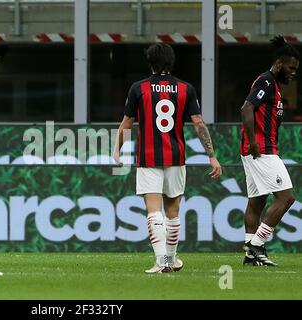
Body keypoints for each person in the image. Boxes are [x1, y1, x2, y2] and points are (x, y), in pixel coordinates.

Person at [113, 43, 222, 273]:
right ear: (171, 62)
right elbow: (199, 124)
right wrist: (211, 156)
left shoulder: (138, 88)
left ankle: (161, 260)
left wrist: (117, 149)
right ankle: (171, 260)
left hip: (148, 157)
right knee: (173, 212)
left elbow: (127, 124)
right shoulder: (186, 88)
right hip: (176, 156)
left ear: (149, 62)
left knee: (154, 210)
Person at [240, 36, 299, 266]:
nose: (293, 73)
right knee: (287, 198)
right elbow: (246, 108)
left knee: (257, 201)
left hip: (258, 150)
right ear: (279, 64)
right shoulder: (265, 81)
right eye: (291, 68)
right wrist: (254, 143)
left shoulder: (272, 85)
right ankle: (256, 244)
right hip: (260, 150)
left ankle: (250, 254)